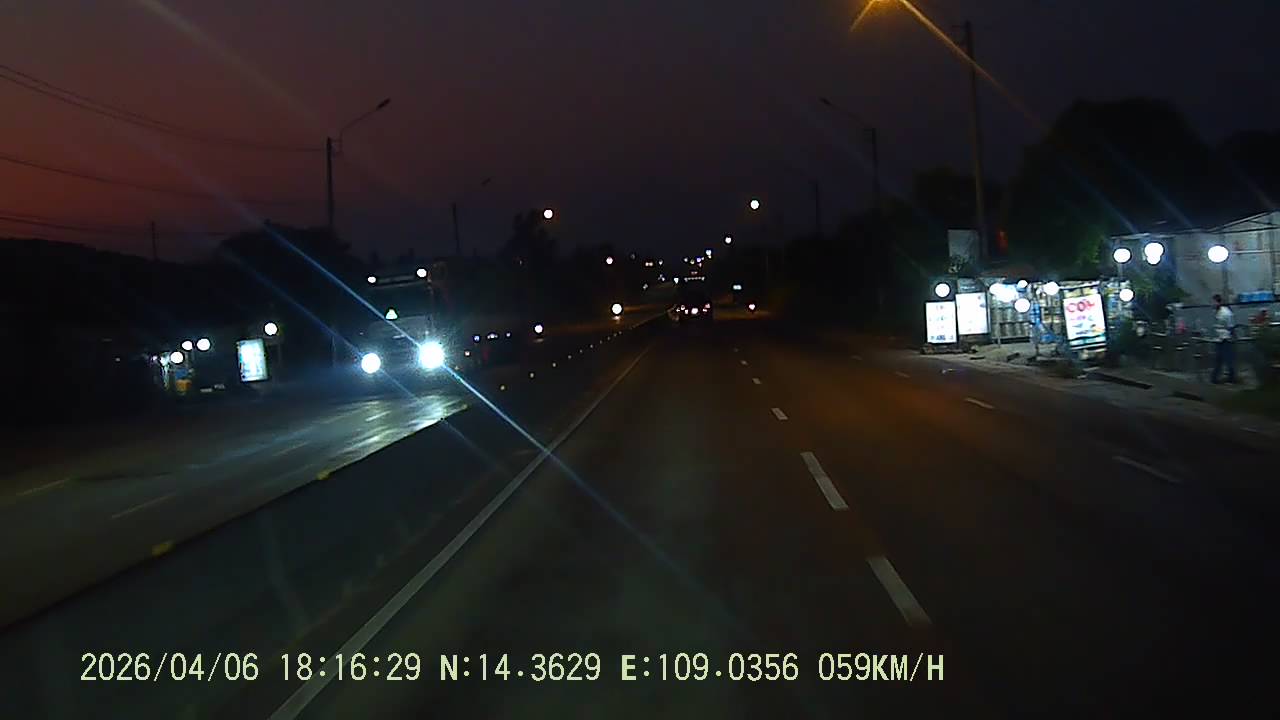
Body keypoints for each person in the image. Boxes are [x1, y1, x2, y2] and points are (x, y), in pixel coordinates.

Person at [1211, 293, 1236, 383]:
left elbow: (1231, 326)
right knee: (1218, 359)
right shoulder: (1216, 311)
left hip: (1226, 339)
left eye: (1213, 302)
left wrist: (1232, 337)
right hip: (1219, 338)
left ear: (1218, 302)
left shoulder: (1226, 313)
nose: (1212, 304)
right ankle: (1214, 378)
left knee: (1228, 359)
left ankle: (1231, 378)